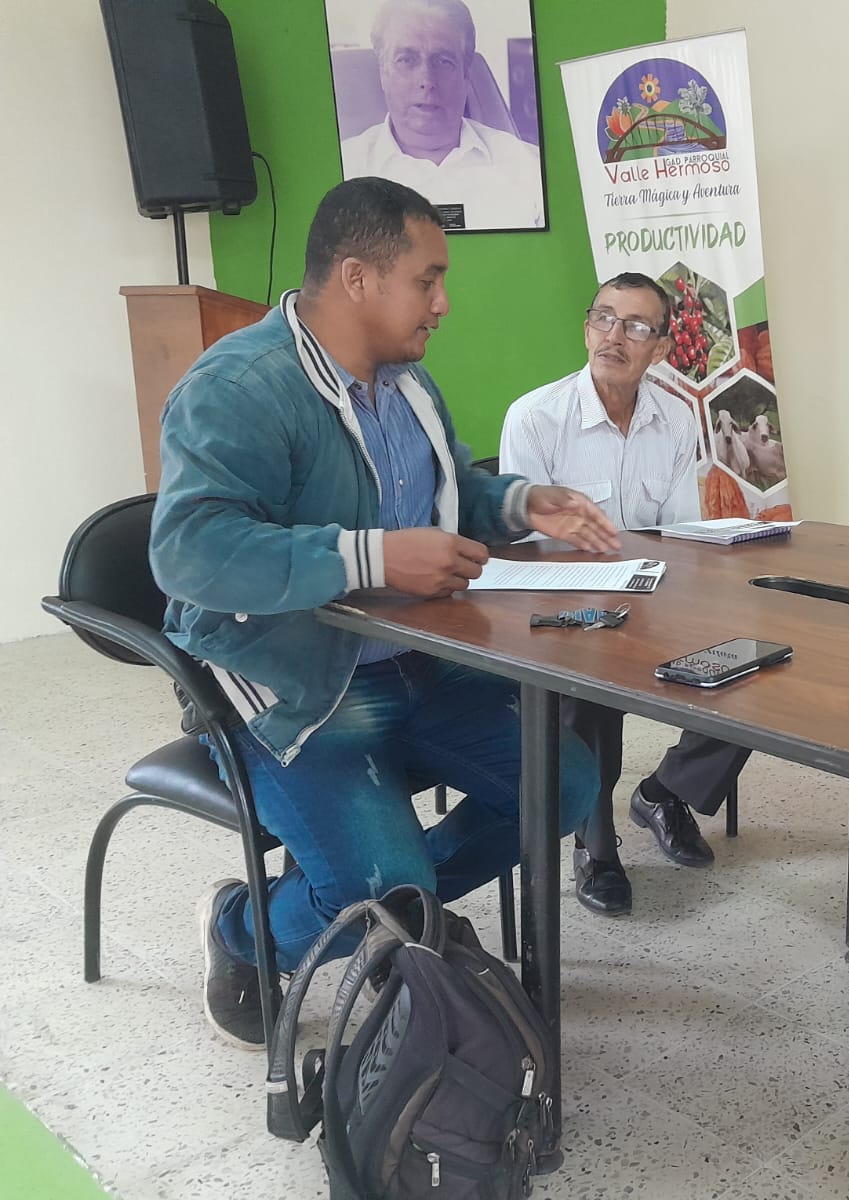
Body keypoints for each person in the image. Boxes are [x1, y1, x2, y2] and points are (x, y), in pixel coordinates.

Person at [150, 177, 620, 1047]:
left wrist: (521, 503)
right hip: (291, 678)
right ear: (357, 277)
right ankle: (243, 931)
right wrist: (369, 556)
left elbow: (444, 494)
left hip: (412, 657)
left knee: (565, 786)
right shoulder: (239, 387)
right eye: (427, 279)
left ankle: (406, 911)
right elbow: (188, 550)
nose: (444, 303)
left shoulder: (407, 384)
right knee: (372, 887)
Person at [500, 273, 751, 917]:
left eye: (636, 326)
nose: (614, 336)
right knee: (589, 676)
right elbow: (527, 546)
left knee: (753, 662)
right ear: (587, 328)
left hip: (652, 594)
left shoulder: (676, 419)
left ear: (662, 348)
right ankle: (595, 842)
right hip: (565, 605)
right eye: (604, 319)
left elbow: (679, 533)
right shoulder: (536, 418)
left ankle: (666, 792)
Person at [339, 0, 546, 231]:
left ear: (466, 76)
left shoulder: (531, 168)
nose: (426, 80)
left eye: (443, 61)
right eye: (406, 60)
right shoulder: (344, 170)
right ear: (383, 73)